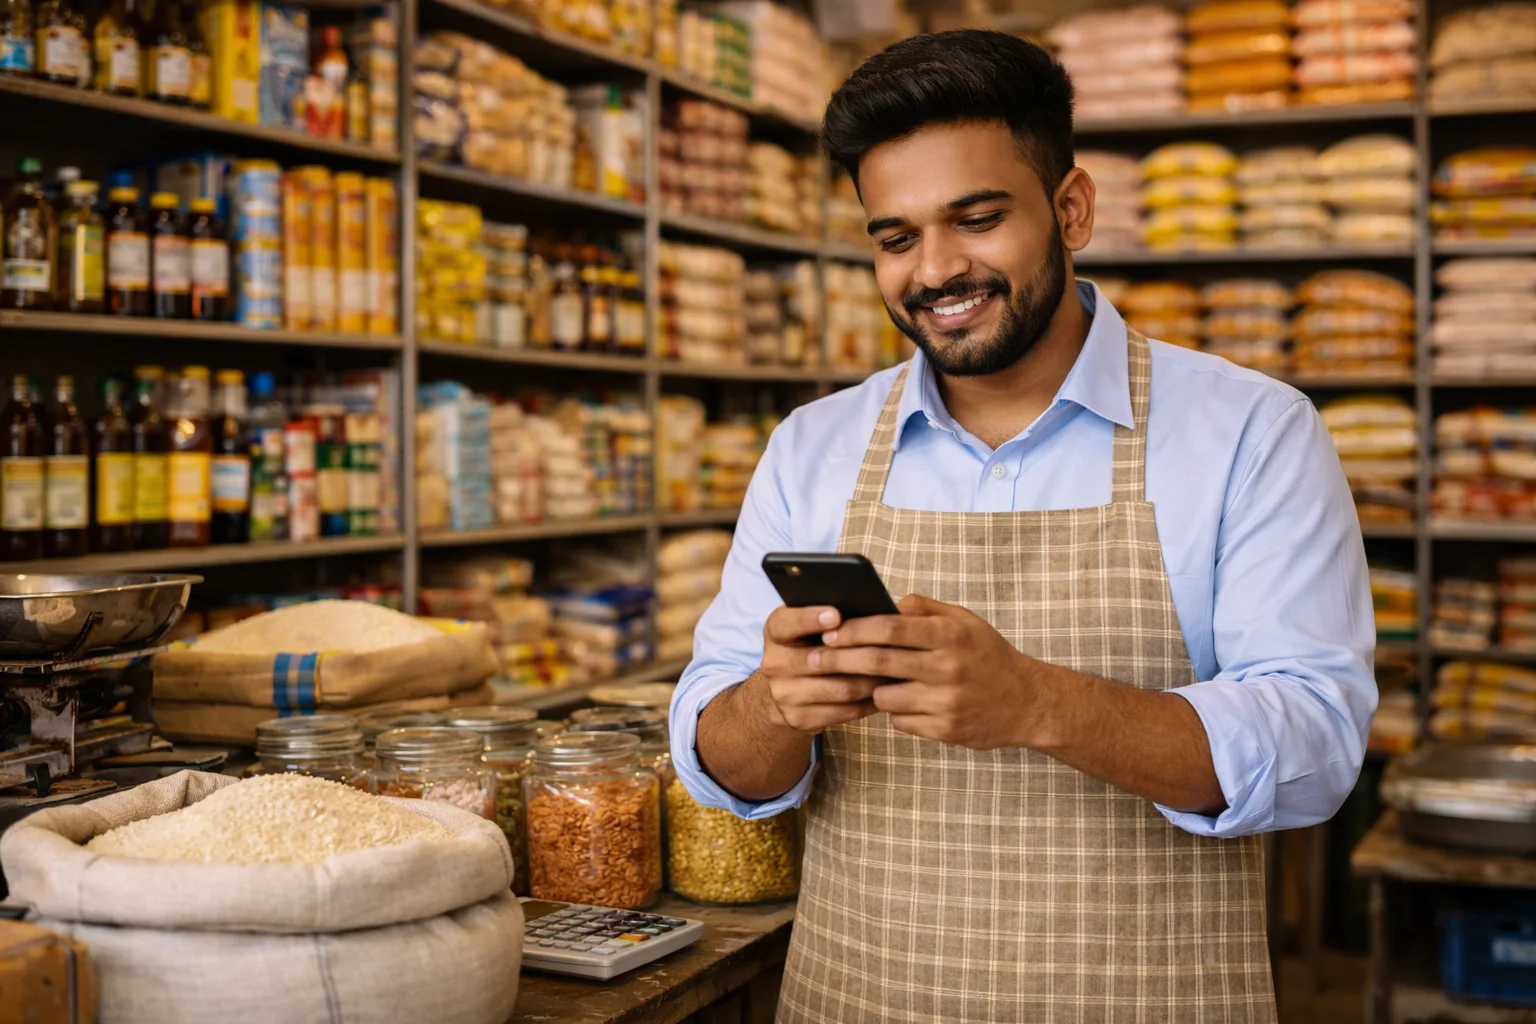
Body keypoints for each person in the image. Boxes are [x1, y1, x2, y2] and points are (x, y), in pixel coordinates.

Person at [670, 29, 1375, 1024]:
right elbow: (720, 765)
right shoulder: (812, 446)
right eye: (896, 237)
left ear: (1071, 207)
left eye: (977, 218)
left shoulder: (1249, 432)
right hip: (861, 998)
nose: (937, 270)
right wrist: (777, 704)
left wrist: (1039, 702)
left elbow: (1316, 746)